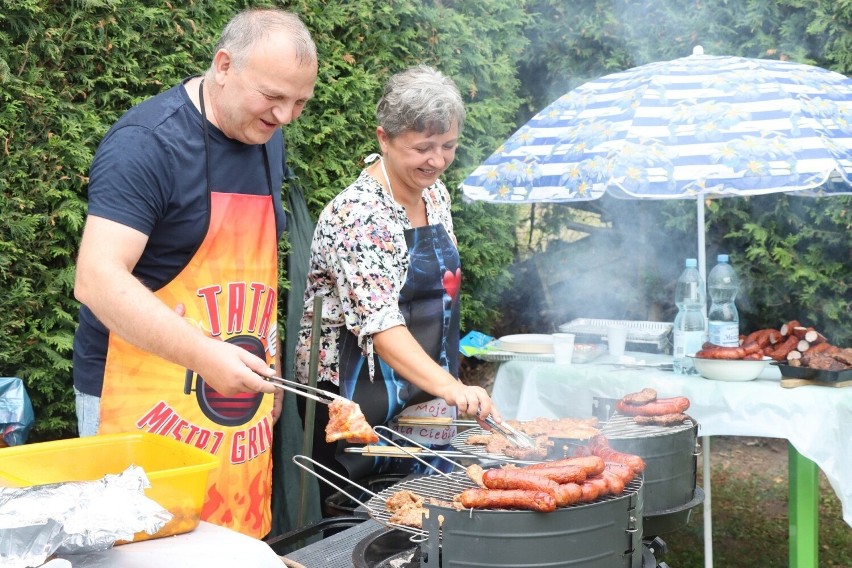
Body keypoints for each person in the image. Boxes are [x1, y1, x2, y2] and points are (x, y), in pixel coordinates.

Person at [72, 8, 317, 538]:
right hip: (139, 399)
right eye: (273, 97)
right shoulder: (147, 143)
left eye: (300, 102)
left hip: (234, 400)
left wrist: (266, 374)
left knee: (233, 542)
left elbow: (250, 272)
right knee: (147, 547)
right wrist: (206, 355)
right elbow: (96, 279)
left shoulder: (265, 134)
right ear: (223, 65)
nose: (286, 116)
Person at [294, 65, 501, 508]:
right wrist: (452, 387)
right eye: (423, 147)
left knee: (431, 512)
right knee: (366, 523)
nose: (438, 160)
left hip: (425, 386)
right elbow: (380, 325)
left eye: (448, 146)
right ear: (383, 138)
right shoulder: (359, 214)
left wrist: (442, 387)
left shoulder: (435, 194)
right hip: (356, 401)